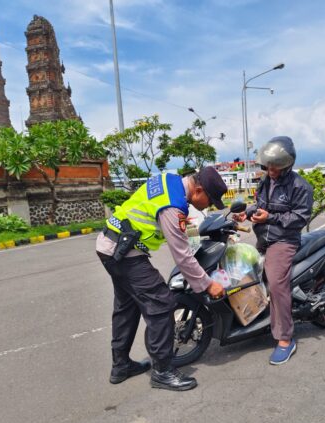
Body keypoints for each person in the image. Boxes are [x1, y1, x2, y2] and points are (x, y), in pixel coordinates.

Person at [96, 167, 227, 391]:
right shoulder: (173, 206)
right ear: (198, 190)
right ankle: (163, 372)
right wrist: (207, 284)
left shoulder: (170, 181)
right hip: (124, 253)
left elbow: (180, 230)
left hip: (110, 246)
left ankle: (121, 365)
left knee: (127, 308)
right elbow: (182, 256)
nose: (209, 205)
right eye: (210, 199)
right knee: (162, 303)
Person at [233, 136, 313, 365]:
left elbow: (299, 218)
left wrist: (271, 217)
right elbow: (260, 206)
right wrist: (246, 213)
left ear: (287, 165)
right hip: (264, 239)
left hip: (284, 241)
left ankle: (286, 339)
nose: (271, 171)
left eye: (275, 167)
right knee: (249, 275)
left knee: (277, 284)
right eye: (268, 166)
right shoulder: (266, 181)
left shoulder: (300, 187)